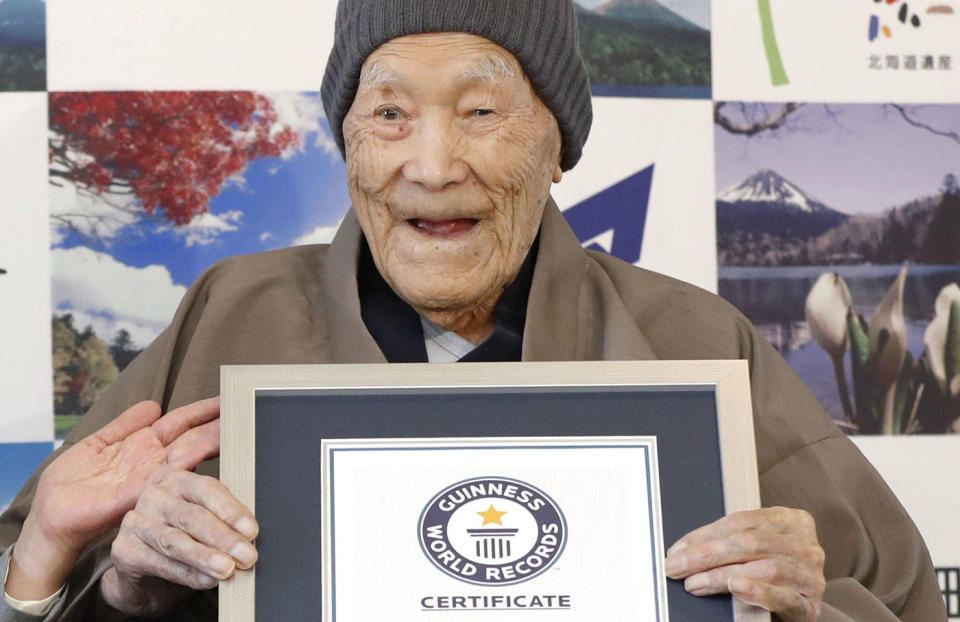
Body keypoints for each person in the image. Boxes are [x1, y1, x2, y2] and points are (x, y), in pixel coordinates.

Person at [0, 1, 946, 620]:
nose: (433, 163)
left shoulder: (697, 342)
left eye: (482, 114)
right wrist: (94, 572)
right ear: (349, 144)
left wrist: (804, 606)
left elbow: (907, 603)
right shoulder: (230, 309)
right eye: (389, 115)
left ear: (557, 146)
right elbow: (39, 574)